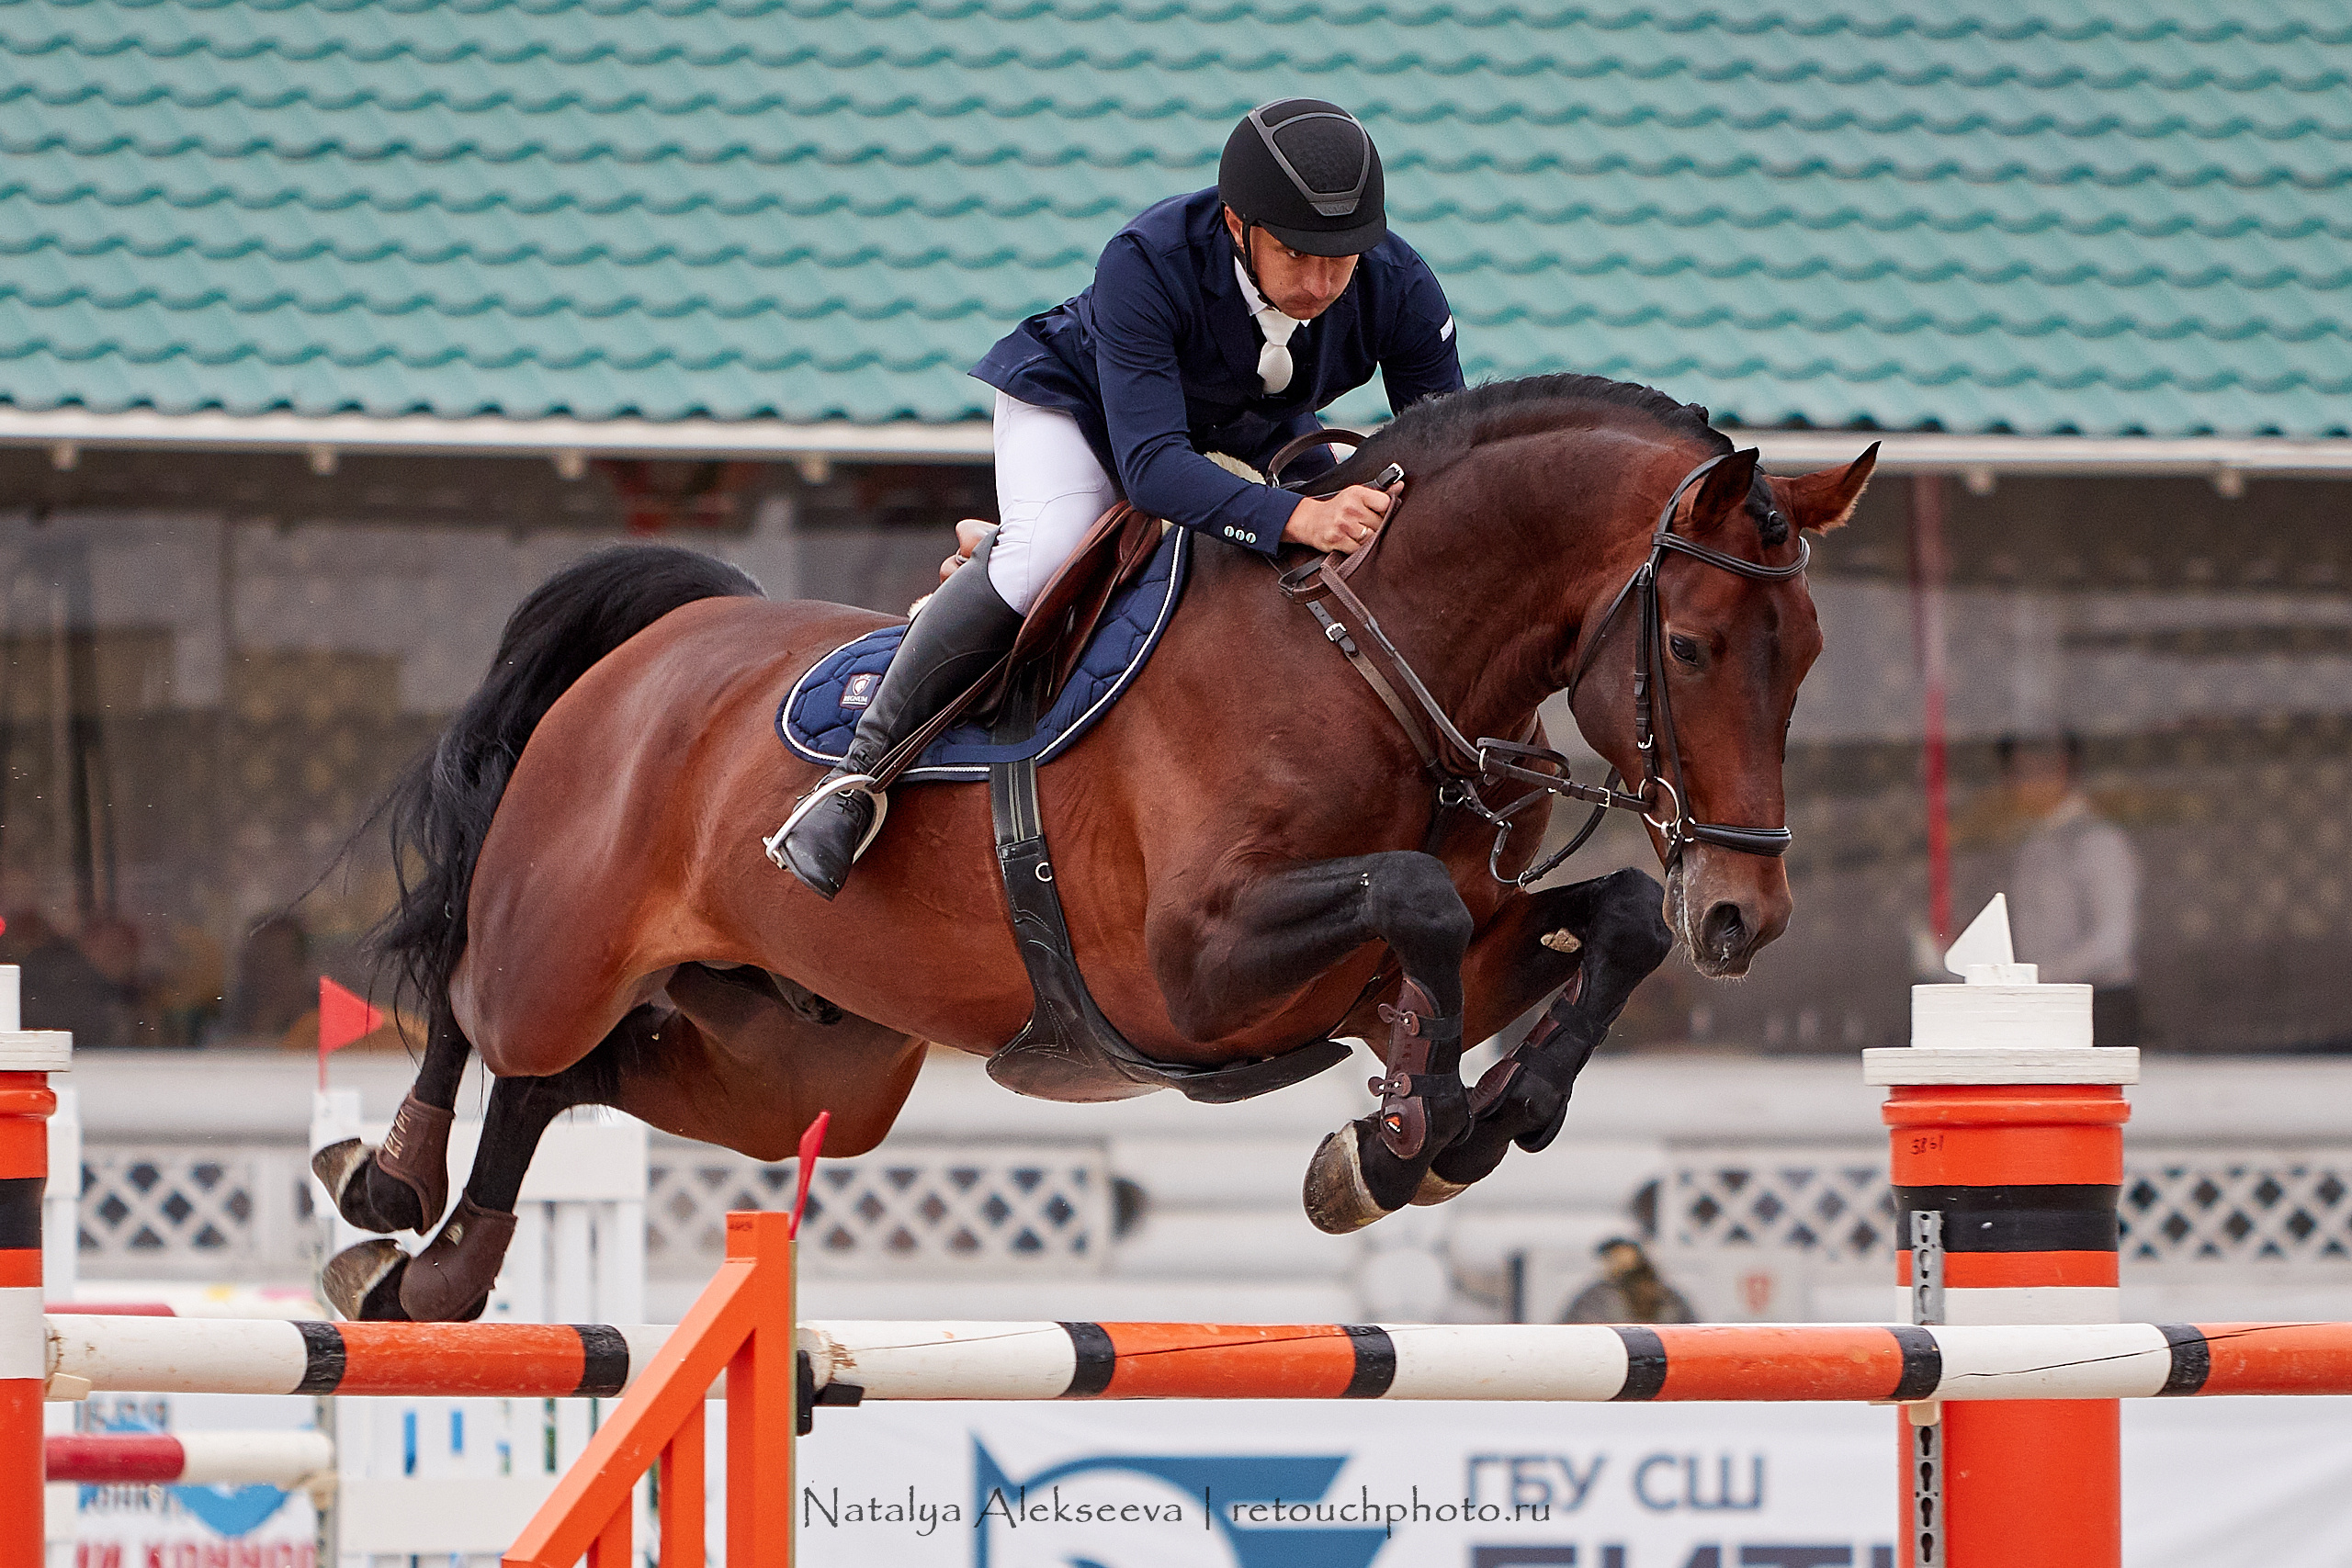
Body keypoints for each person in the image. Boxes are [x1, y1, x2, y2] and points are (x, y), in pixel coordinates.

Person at [770, 97, 1466, 898]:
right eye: (1296, 254)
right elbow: (1154, 471)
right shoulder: (1147, 259)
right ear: (1239, 224)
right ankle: (855, 782)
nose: (1319, 284)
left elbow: (1437, 453)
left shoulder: (1401, 284)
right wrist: (1301, 515)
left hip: (1245, 426)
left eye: (1339, 262)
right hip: (1087, 411)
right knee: (1051, 549)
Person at [1999, 733, 2142, 1046]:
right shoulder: (2029, 844)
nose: (2016, 784)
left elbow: (2113, 940)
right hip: (2043, 1007)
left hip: (2096, 1010)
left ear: (2060, 770)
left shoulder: (2099, 843)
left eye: (2027, 771)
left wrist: (2044, 976)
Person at [1560, 1237, 1696, 1325]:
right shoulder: (1596, 1296)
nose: (1615, 1261)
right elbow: (1575, 1329)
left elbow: (1689, 1331)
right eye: (1611, 1257)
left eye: (1618, 1254)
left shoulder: (1667, 1296)